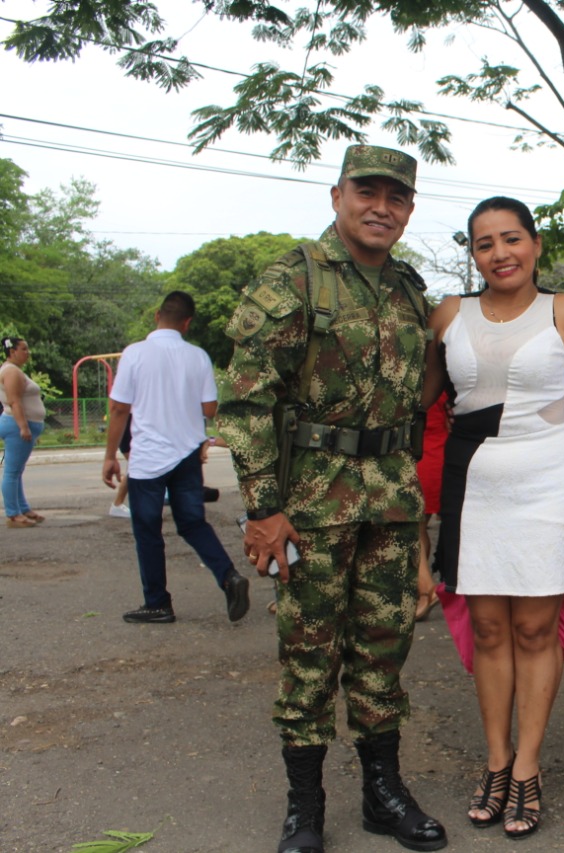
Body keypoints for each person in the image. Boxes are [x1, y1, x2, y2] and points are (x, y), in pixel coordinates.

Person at [219, 145, 447, 853]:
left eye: (396, 197)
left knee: (384, 648)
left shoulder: (408, 288)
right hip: (311, 504)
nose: (381, 207)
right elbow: (246, 403)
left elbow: (418, 399)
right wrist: (263, 509)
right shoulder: (292, 280)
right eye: (366, 192)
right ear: (337, 196)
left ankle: (383, 793)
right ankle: (305, 806)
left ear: (409, 209)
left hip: (391, 502)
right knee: (310, 655)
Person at [423, 196, 564, 840]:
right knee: (488, 627)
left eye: (511, 238)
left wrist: (544, 441)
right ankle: (496, 760)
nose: (500, 253)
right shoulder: (450, 314)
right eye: (485, 243)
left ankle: (528, 766)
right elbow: (425, 396)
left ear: (535, 244)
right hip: (474, 483)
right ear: (473, 254)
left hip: (548, 483)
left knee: (534, 628)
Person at [101, 292, 247, 625]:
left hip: (149, 458)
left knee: (148, 529)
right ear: (187, 322)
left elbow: (119, 408)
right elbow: (209, 409)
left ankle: (157, 603)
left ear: (157, 315)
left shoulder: (134, 353)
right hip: (187, 455)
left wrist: (110, 456)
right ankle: (229, 577)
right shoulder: (198, 356)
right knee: (193, 523)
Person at [0, 337, 46, 527]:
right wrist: (23, 427)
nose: (28, 353)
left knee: (17, 471)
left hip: (19, 424)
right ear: (12, 352)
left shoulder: (15, 370)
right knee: (12, 471)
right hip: (16, 425)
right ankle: (13, 514)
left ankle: (23, 508)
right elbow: (14, 401)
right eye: (24, 349)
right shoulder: (11, 372)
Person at [414, 392, 448, 621]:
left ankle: (426, 589)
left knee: (413, 530)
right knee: (420, 528)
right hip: (443, 450)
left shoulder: (420, 380)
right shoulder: (444, 380)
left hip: (423, 454)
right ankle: (421, 590)